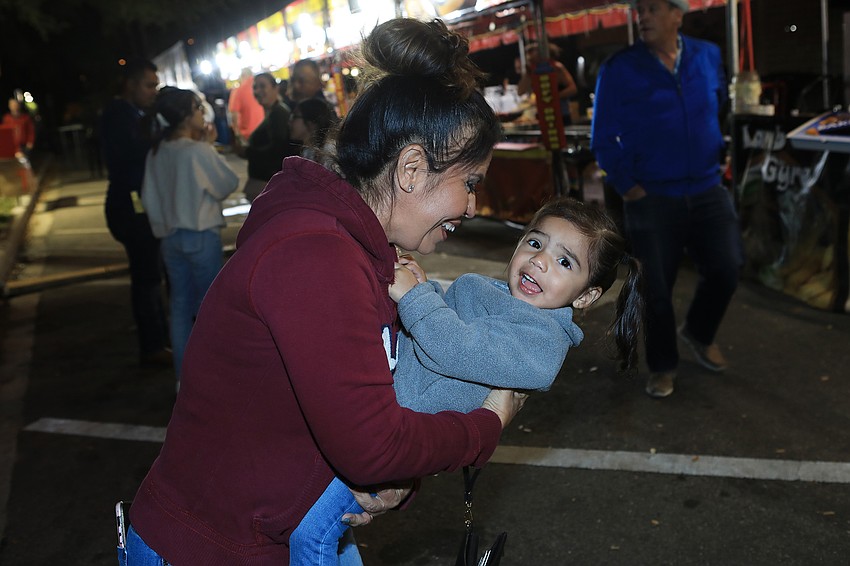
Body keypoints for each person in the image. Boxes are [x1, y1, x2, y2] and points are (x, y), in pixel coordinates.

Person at [125, 18, 527, 566]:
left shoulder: (358, 249)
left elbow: (361, 417)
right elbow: (371, 447)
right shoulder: (316, 255)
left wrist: (396, 483)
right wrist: (486, 425)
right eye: (471, 183)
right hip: (213, 548)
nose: (473, 208)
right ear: (411, 168)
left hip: (285, 532)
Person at [289, 196, 645, 564]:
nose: (539, 261)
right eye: (535, 243)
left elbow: (454, 345)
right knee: (334, 532)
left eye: (564, 262)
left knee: (310, 535)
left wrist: (414, 294)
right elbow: (449, 311)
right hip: (374, 417)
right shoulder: (491, 291)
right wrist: (426, 287)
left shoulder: (540, 345)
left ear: (586, 296)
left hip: (393, 439)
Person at [590, 0, 742, 398]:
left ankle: (698, 331)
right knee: (656, 289)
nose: (643, 16)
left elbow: (721, 107)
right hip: (652, 196)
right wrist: (629, 187)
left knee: (728, 267)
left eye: (654, 8)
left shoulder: (708, 56)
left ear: (678, 14)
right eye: (640, 9)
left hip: (708, 188)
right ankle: (662, 365)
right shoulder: (619, 68)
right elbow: (602, 138)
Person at [140, 89, 239, 382]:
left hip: (170, 238)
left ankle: (184, 378)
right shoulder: (196, 150)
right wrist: (208, 147)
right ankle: (212, 376)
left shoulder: (157, 152)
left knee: (181, 307)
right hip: (200, 235)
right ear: (185, 115)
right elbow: (226, 183)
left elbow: (149, 198)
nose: (201, 112)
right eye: (197, 107)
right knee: (209, 308)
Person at [100, 59, 172, 368]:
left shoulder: (133, 114)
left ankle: (158, 339)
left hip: (135, 203)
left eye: (155, 85)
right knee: (146, 277)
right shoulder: (119, 115)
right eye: (148, 85)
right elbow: (138, 151)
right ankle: (152, 345)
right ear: (130, 85)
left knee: (150, 274)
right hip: (131, 206)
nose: (153, 91)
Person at [236, 72, 298, 202]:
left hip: (271, 186)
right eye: (255, 87)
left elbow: (278, 150)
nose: (257, 91)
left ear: (275, 88)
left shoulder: (279, 114)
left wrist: (246, 151)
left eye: (262, 86)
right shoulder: (272, 113)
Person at [518, 42, 578, 125]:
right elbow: (520, 92)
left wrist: (553, 96)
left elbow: (573, 89)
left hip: (561, 114)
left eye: (532, 52)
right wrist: (527, 75)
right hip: (543, 116)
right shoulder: (532, 71)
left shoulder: (556, 67)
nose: (529, 57)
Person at [289, 97, 338, 167]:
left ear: (311, 122)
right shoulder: (307, 152)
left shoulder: (329, 152)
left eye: (294, 117)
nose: (290, 122)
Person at [228, 67, 264, 146]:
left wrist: (237, 133)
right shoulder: (262, 88)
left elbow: (234, 114)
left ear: (243, 76)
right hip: (264, 129)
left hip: (248, 134)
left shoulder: (238, 91)